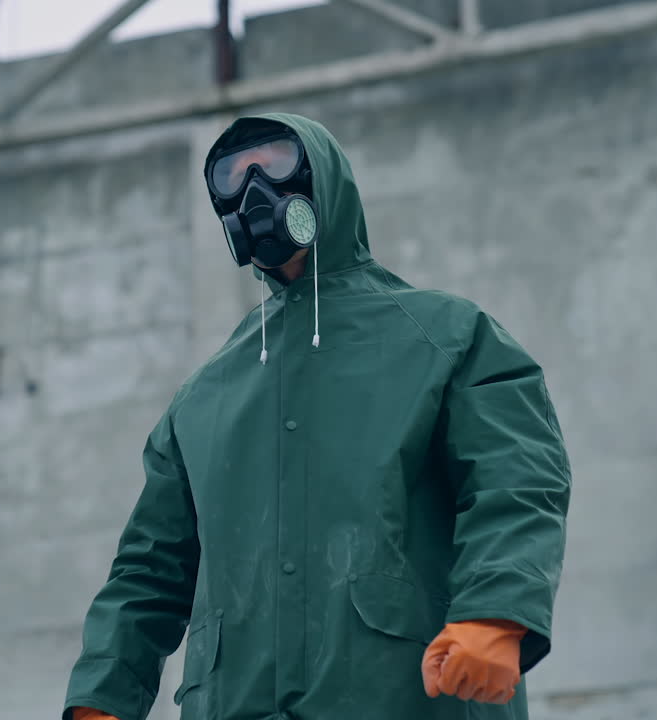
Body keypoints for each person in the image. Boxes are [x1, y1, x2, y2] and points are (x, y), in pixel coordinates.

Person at [61, 113, 571, 720]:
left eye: (274, 165)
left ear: (321, 180)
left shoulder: (446, 337)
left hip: (407, 698)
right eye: (232, 176)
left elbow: (516, 480)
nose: (254, 192)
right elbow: (149, 570)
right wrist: (102, 701)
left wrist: (495, 614)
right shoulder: (204, 395)